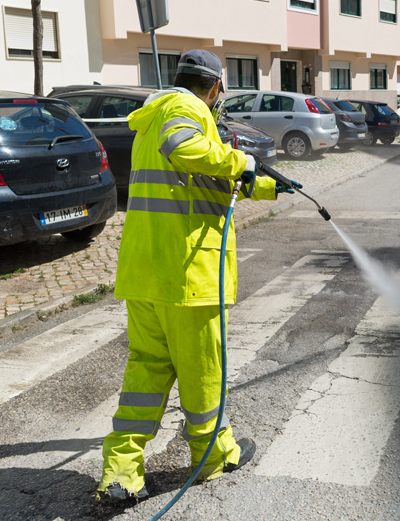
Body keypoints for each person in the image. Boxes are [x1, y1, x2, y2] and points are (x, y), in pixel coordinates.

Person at [97, 50, 295, 502]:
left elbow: (199, 184)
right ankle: (212, 457)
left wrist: (264, 184)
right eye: (218, 93)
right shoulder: (184, 109)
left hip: (146, 273)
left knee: (147, 369)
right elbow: (187, 149)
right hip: (187, 274)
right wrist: (240, 162)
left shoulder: (150, 119)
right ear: (213, 88)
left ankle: (122, 472)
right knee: (204, 371)